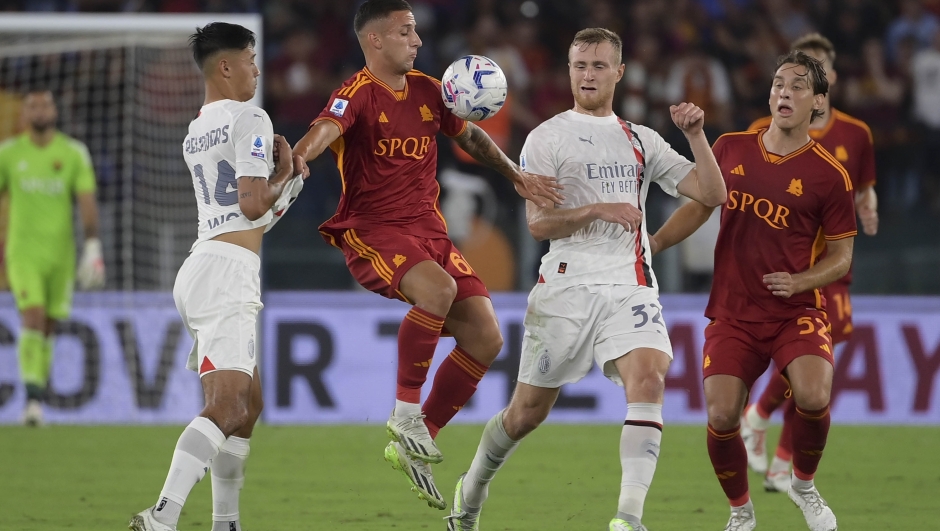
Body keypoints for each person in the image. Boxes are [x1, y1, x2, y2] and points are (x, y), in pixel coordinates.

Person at [445, 28, 727, 531]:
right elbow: (538, 224)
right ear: (569, 71)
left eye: (599, 66)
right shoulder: (547, 138)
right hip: (567, 286)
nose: (588, 74)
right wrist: (598, 208)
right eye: (580, 66)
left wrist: (696, 136)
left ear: (618, 72)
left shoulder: (643, 140)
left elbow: (712, 193)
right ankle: (472, 491)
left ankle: (627, 518)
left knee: (650, 376)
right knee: (525, 414)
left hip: (631, 283)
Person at [292, 0, 563, 511]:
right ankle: (404, 410)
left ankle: (416, 445)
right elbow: (323, 130)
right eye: (406, 32)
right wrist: (298, 158)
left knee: (487, 336)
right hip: (373, 231)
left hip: (429, 233)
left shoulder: (429, 90)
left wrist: (517, 175)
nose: (417, 41)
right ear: (374, 40)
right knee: (437, 290)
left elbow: (473, 138)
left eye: (416, 32)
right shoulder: (356, 94)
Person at [651, 50, 855, 531]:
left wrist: (801, 281)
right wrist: (654, 243)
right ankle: (741, 512)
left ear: (818, 103)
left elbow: (842, 258)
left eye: (798, 86)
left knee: (812, 393)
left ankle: (802, 483)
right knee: (722, 416)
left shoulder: (830, 175)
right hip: (734, 313)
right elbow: (699, 209)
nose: (784, 92)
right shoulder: (730, 148)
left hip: (794, 311)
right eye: (779, 83)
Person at [129, 22, 307, 531]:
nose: (256, 68)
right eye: (250, 58)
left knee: (247, 405)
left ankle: (225, 523)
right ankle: (162, 517)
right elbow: (254, 201)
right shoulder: (251, 116)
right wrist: (284, 172)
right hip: (227, 275)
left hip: (205, 264)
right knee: (227, 406)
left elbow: (245, 217)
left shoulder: (197, 128)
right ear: (226, 66)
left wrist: (285, 185)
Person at [740, 33, 879, 493]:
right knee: (803, 369)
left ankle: (777, 454)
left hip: (827, 270)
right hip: (780, 269)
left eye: (812, 72)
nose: (794, 88)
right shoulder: (764, 129)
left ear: (829, 80)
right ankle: (762, 422)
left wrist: (870, 203)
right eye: (789, 79)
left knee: (817, 372)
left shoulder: (855, 135)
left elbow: (862, 188)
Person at [0, 89, 104, 426]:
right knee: (32, 317)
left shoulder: (73, 153)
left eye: (45, 104)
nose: (39, 111)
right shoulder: (8, 154)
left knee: (47, 326)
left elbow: (86, 201)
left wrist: (92, 247)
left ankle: (36, 399)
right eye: (32, 106)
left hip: (61, 256)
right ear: (24, 115)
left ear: (55, 111)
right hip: (22, 254)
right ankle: (32, 401)